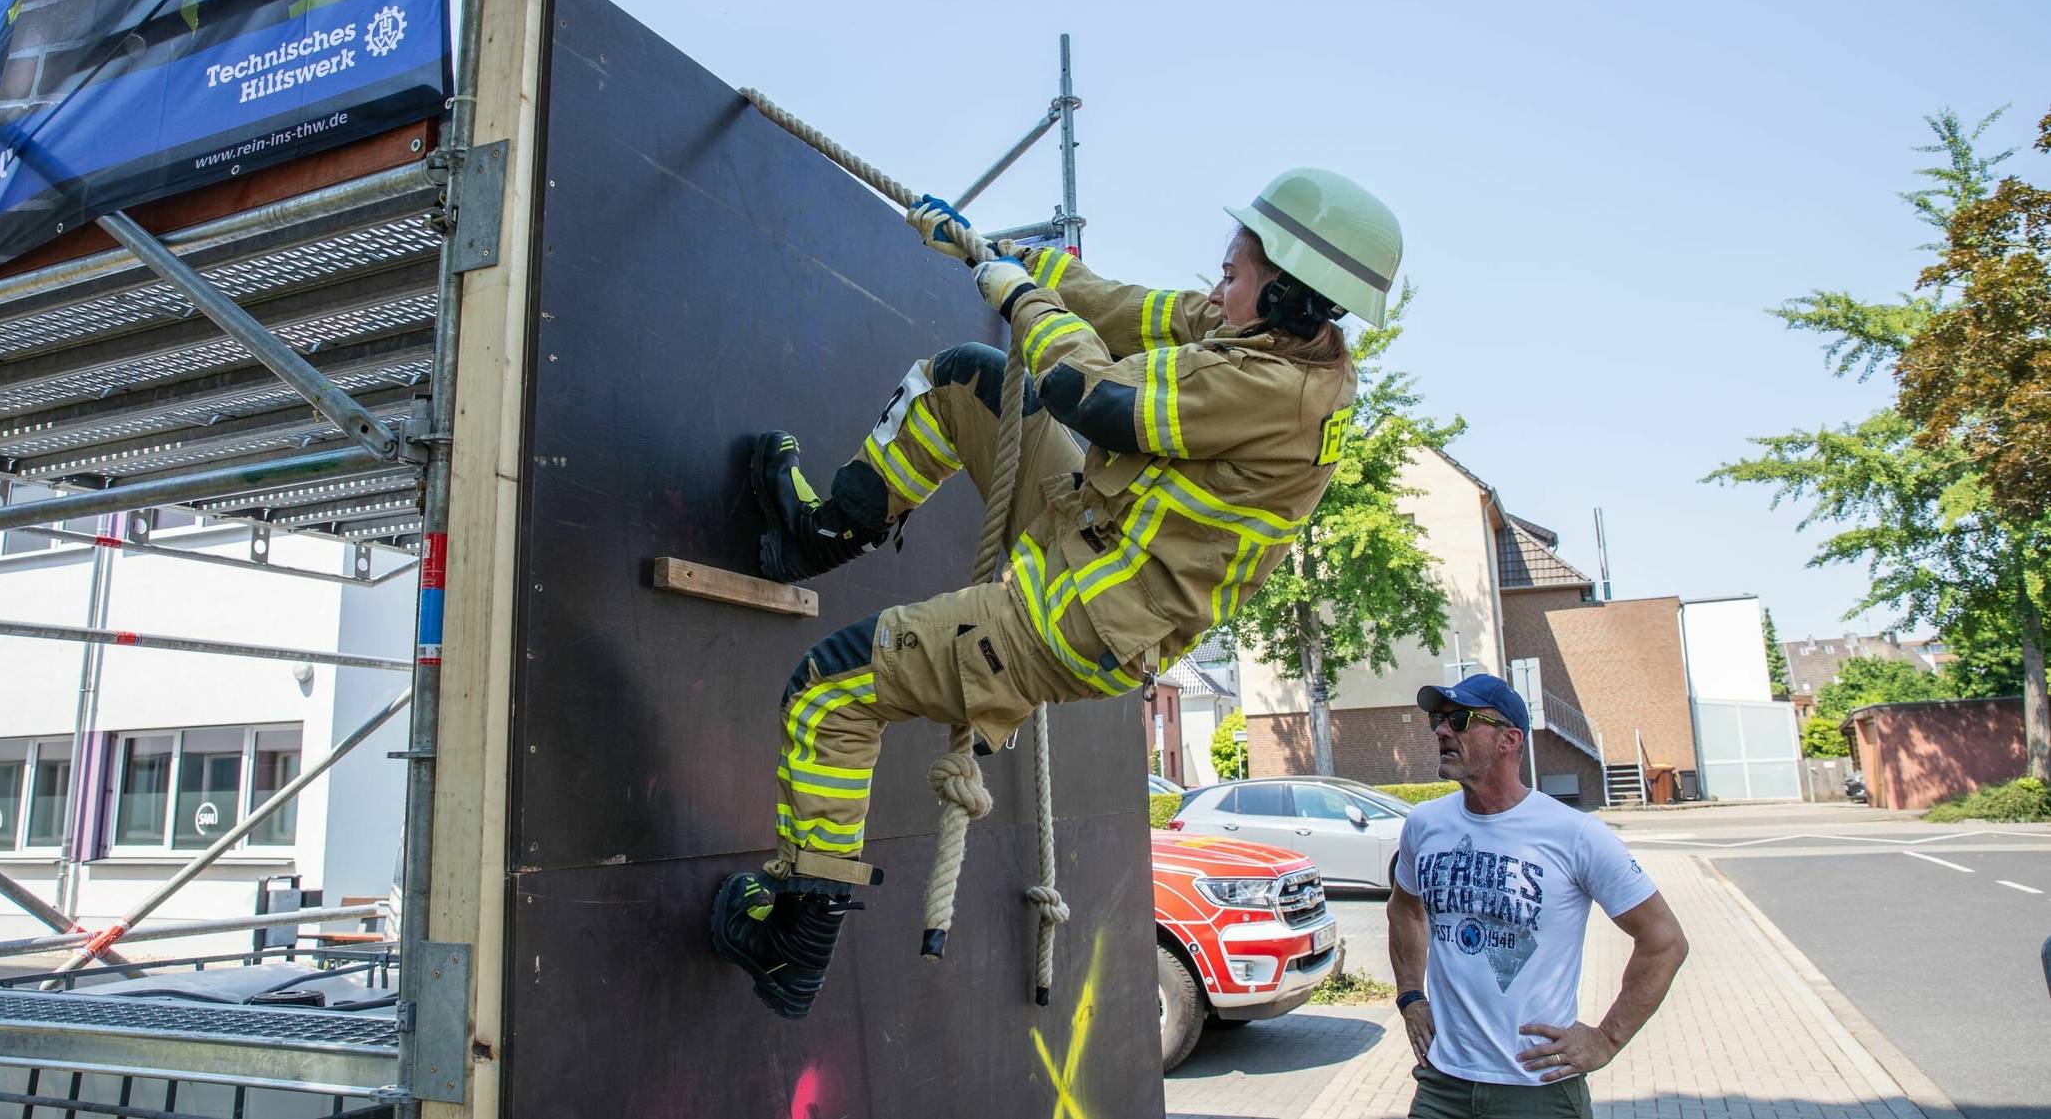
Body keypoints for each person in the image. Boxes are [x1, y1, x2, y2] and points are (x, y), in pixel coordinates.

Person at [708, 169, 1404, 1019]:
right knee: (965, 381)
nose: (1218, 287)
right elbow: (1132, 310)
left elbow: (1089, 397)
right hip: (1085, 538)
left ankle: (795, 944)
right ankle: (815, 536)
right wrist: (1002, 254)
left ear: (1287, 291)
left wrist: (1021, 297)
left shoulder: (1269, 390)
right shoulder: (1270, 338)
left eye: (1233, 273)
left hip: (1071, 619)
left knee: (827, 696)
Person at [1387, 674, 1689, 1118]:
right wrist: (1411, 996)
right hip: (1442, 1083)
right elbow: (1405, 909)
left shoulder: (1574, 834)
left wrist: (1607, 1039)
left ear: (1509, 739)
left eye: (1460, 719)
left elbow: (1664, 940)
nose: (1442, 730)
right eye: (1439, 719)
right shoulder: (1424, 825)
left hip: (1537, 1087)